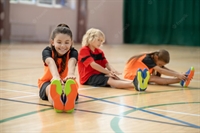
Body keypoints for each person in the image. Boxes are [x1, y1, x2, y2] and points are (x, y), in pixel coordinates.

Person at [78, 28, 150, 91]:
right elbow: (93, 65)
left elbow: (106, 63)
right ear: (91, 39)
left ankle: (136, 81)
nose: (100, 43)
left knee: (115, 77)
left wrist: (113, 70)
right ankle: (134, 84)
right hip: (88, 77)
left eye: (101, 41)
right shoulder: (84, 50)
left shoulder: (100, 52)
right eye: (98, 40)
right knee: (110, 80)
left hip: (98, 73)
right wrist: (107, 72)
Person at [38, 24, 78, 113]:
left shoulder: (73, 52)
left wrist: (71, 74)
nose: (63, 46)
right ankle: (57, 102)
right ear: (52, 42)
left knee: (72, 87)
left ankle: (69, 101)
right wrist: (55, 76)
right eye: (59, 42)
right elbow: (50, 62)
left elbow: (72, 61)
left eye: (67, 42)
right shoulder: (47, 51)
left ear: (71, 42)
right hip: (48, 81)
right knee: (49, 89)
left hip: (67, 81)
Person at [124, 49, 194, 87]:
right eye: (160, 64)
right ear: (157, 58)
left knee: (154, 78)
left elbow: (164, 69)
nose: (160, 65)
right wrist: (178, 76)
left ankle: (183, 79)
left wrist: (180, 74)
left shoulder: (153, 57)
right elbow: (161, 71)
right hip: (130, 76)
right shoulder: (147, 59)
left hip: (138, 74)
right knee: (153, 78)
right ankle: (181, 81)